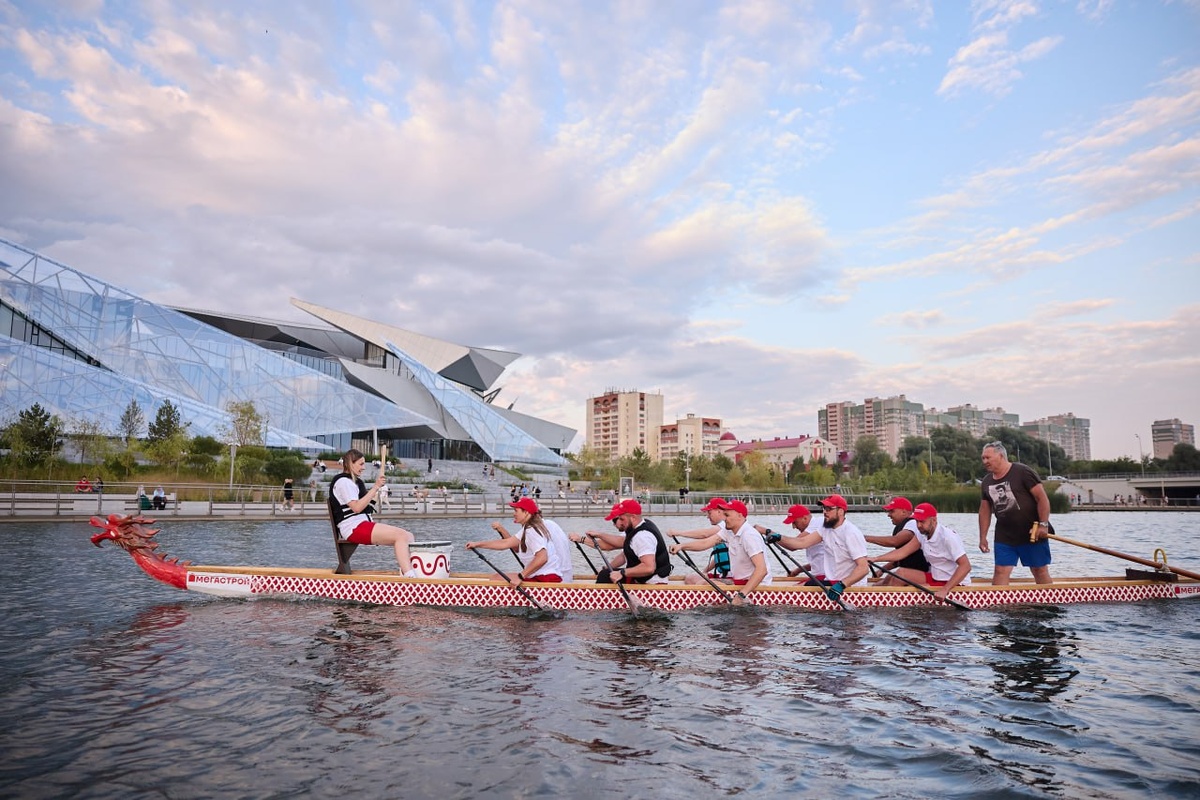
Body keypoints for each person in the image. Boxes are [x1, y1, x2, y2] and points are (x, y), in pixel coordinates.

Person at [329, 448, 419, 577]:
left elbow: (366, 506)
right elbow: (356, 508)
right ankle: (410, 576)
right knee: (401, 536)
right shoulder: (344, 482)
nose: (364, 467)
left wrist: (376, 492)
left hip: (360, 524)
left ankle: (409, 570)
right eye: (361, 464)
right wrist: (375, 487)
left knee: (409, 536)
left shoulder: (353, 482)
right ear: (350, 463)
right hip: (353, 528)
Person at [768, 494, 868, 604]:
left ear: (840, 511)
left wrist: (842, 585)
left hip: (850, 587)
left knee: (796, 594)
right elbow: (802, 542)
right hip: (832, 582)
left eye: (829, 509)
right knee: (803, 587)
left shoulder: (851, 533)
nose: (825, 512)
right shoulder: (826, 529)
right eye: (824, 508)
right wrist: (779, 538)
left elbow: (863, 568)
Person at [669, 498, 769, 605]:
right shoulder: (729, 531)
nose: (724, 519)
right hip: (738, 581)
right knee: (691, 579)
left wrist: (741, 596)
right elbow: (705, 543)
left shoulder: (749, 536)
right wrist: (681, 546)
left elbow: (762, 570)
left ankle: (687, 605)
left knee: (703, 583)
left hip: (755, 585)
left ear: (739, 516)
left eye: (727, 515)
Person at [979, 441, 1053, 585]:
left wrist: (1043, 525)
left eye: (988, 458)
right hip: (1005, 535)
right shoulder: (987, 482)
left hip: (1032, 532)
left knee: (1039, 570)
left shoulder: (1022, 472)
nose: (985, 461)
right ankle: (999, 598)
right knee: (1000, 570)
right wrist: (983, 537)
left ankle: (1049, 598)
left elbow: (1042, 498)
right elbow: (984, 510)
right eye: (983, 458)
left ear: (1001, 456)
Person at [874, 503, 972, 602]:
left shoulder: (948, 537)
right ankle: (875, 593)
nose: (918, 525)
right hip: (936, 577)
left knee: (901, 576)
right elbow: (901, 553)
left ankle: (887, 604)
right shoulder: (921, 534)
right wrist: (875, 559)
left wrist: (945, 590)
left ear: (934, 520)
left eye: (922, 521)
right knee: (896, 574)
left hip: (953, 582)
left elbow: (966, 566)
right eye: (916, 521)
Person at [467, 497, 572, 585]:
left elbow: (542, 557)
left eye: (516, 511)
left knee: (495, 580)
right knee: (496, 577)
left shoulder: (532, 531)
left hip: (546, 579)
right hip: (543, 576)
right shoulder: (528, 528)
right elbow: (505, 543)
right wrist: (477, 544)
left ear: (526, 512)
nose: (514, 514)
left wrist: (521, 577)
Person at [570, 499, 672, 586]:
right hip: (643, 578)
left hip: (652, 584)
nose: (619, 523)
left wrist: (622, 573)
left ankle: (598, 600)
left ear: (633, 517)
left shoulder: (642, 536)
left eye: (622, 519)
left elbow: (649, 567)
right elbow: (623, 555)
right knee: (605, 573)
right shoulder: (635, 528)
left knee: (604, 576)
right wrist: (608, 567)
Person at [864, 497, 930, 587]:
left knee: (897, 576)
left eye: (892, 511)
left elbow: (895, 541)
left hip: (922, 573)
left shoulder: (913, 523)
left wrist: (864, 538)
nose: (889, 515)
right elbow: (901, 557)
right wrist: (883, 569)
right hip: (912, 572)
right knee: (884, 581)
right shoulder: (903, 526)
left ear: (904, 512)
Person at [756, 504, 827, 583]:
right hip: (820, 576)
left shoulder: (817, 523)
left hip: (826, 577)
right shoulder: (816, 526)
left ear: (805, 518)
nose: (793, 527)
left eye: (795, 522)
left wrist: (767, 532)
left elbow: (795, 545)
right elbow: (818, 563)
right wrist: (797, 571)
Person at [666, 498, 732, 581]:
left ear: (719, 511)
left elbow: (705, 534)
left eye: (709, 513)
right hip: (725, 575)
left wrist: (678, 533)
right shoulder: (724, 529)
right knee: (691, 578)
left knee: (691, 579)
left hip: (732, 577)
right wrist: (704, 571)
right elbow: (720, 557)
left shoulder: (724, 526)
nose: (707, 516)